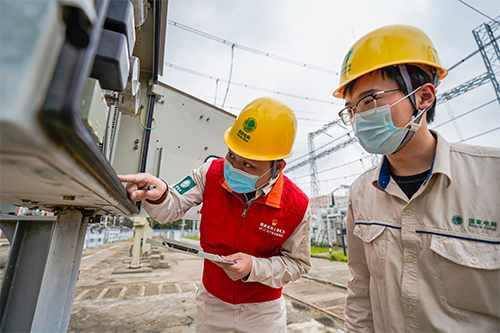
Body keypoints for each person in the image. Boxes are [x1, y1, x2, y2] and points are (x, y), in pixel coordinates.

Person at [333, 25, 500, 332]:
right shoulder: (361, 193)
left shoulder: (493, 179)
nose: (359, 118)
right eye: (352, 109)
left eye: (369, 100)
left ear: (423, 96)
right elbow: (360, 289)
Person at [118, 97, 310, 332]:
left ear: (277, 167)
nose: (235, 168)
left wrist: (254, 267)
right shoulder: (211, 173)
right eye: (231, 156)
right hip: (212, 301)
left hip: (263, 312)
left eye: (248, 165)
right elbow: (171, 208)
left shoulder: (296, 206)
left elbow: (297, 264)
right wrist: (159, 195)